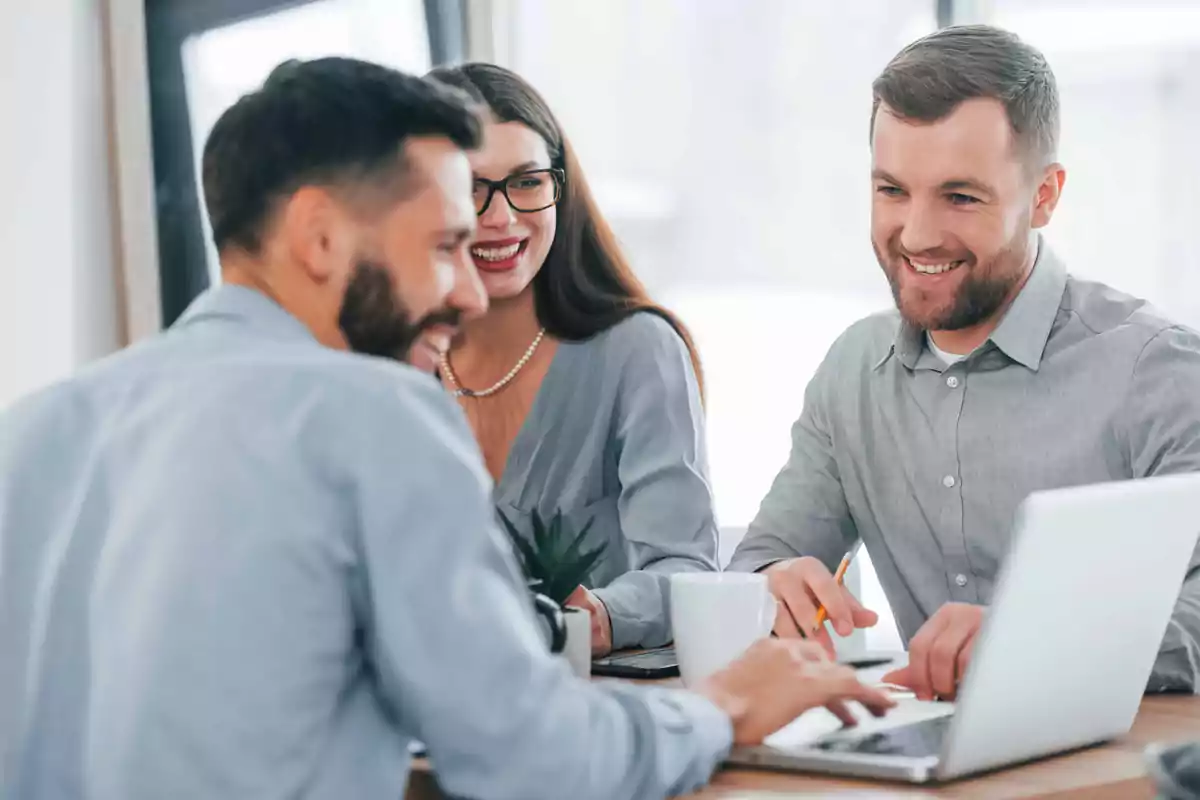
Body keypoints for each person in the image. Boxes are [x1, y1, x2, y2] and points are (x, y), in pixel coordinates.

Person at [0, 57, 893, 800]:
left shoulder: (35, 430)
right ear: (318, 239)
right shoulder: (375, 415)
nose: (468, 290)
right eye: (440, 247)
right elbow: (529, 758)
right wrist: (726, 708)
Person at [728, 24, 1200, 700]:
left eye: (960, 197)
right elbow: (766, 557)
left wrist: (1038, 642)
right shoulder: (854, 372)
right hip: (938, 767)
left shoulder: (1158, 371)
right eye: (891, 190)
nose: (916, 234)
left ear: (1044, 196)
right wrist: (769, 586)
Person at [425, 62, 717, 656]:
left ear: (561, 187)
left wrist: (600, 615)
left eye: (527, 181)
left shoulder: (637, 350)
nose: (501, 216)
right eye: (470, 188)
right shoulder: (390, 366)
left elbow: (685, 569)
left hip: (598, 708)